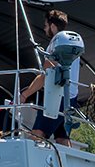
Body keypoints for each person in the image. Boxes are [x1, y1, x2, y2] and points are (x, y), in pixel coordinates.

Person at [18, 10, 86, 144]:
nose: (44, 29)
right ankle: (65, 165)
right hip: (71, 97)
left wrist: (25, 95)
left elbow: (45, 76)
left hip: (57, 97)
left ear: (53, 26)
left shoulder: (57, 43)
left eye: (45, 25)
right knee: (62, 137)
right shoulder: (73, 45)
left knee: (38, 132)